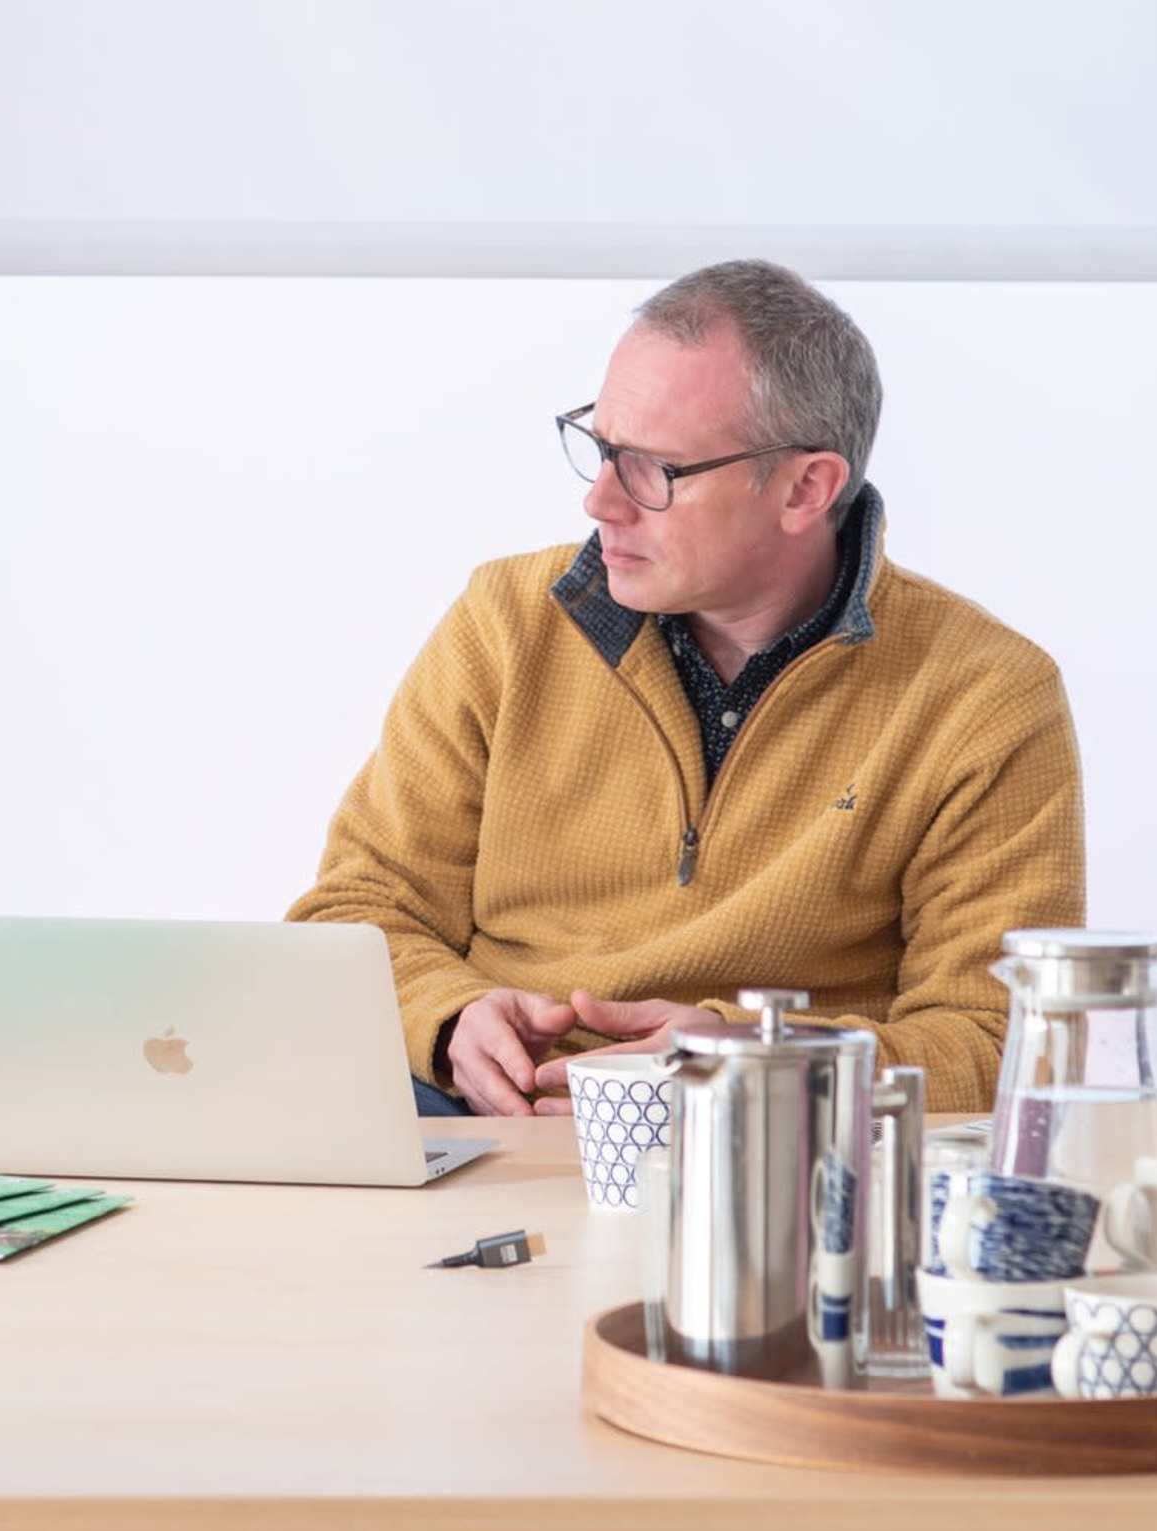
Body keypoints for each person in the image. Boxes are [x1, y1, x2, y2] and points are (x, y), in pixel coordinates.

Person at [288, 259, 1084, 1117]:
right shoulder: (504, 624)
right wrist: (448, 1019)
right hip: (486, 1126)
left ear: (804, 488)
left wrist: (762, 1064)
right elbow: (357, 910)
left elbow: (1006, 1042)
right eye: (599, 446)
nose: (600, 499)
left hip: (790, 1153)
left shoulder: (985, 696)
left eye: (653, 469)